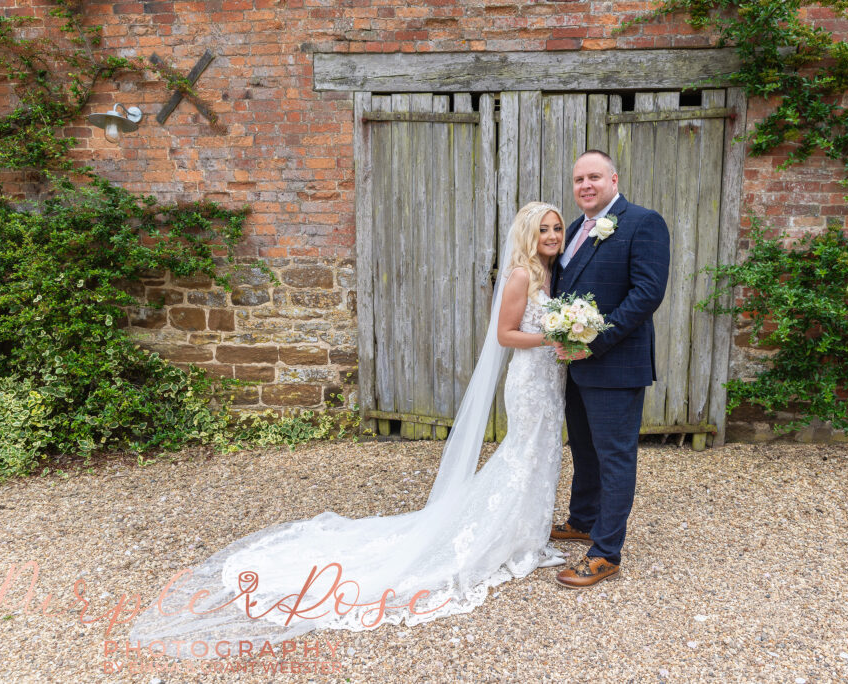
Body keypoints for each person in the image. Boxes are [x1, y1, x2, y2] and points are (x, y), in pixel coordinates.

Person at [128, 202, 571, 658]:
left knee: (541, 457)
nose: (553, 235)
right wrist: (551, 338)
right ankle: (514, 543)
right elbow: (504, 335)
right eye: (544, 229)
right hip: (529, 383)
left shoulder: (550, 273)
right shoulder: (521, 275)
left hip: (549, 381)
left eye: (557, 227)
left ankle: (528, 538)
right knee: (523, 457)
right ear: (528, 233)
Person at [549, 150, 671, 589]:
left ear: (614, 179)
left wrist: (594, 342)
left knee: (615, 457)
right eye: (579, 178)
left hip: (616, 363)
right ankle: (582, 521)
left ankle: (605, 553)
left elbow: (647, 293)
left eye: (594, 177)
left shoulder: (643, 222)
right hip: (575, 366)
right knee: (583, 450)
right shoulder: (576, 229)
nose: (585, 185)